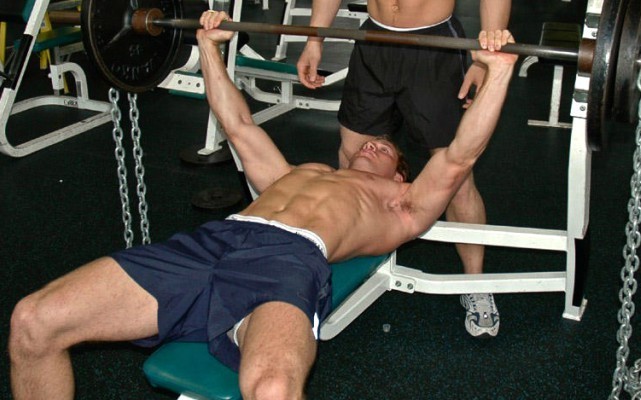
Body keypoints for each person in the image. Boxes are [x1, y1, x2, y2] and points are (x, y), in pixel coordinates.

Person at [8, 10, 517, 400]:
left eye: (387, 151)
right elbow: (239, 126)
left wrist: (497, 72)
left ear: (400, 177)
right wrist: (207, 46)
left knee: (272, 388)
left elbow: (458, 156)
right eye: (370, 142)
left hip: (288, 262)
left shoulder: (403, 206)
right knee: (34, 321)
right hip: (212, 243)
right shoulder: (291, 176)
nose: (374, 145)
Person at [296, 0, 511, 338]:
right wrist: (314, 39)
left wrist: (482, 56)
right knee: (354, 157)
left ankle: (475, 282)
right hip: (374, 39)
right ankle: (349, 251)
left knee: (457, 178)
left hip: (434, 44)